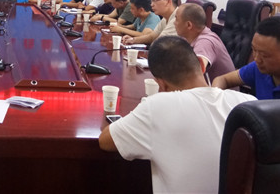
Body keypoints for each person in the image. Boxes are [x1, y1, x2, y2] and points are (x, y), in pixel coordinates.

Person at [99, 36, 256, 194]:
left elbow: (105, 141)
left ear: (161, 84)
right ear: (202, 65)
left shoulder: (157, 107)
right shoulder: (249, 103)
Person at [174, 3, 235, 81]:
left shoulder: (205, 42)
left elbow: (195, 70)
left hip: (221, 88)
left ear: (189, 25)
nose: (174, 23)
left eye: (176, 19)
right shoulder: (187, 37)